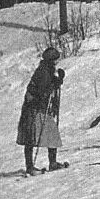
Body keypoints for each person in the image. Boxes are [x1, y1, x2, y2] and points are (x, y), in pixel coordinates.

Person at [17, 46, 66, 176]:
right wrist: (54, 84)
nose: (57, 62)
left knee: (51, 133)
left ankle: (53, 163)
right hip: (34, 108)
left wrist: (58, 80)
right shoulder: (43, 72)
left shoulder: (47, 70)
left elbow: (50, 85)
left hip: (41, 108)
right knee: (31, 137)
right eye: (55, 60)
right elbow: (43, 91)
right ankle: (30, 167)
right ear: (51, 60)